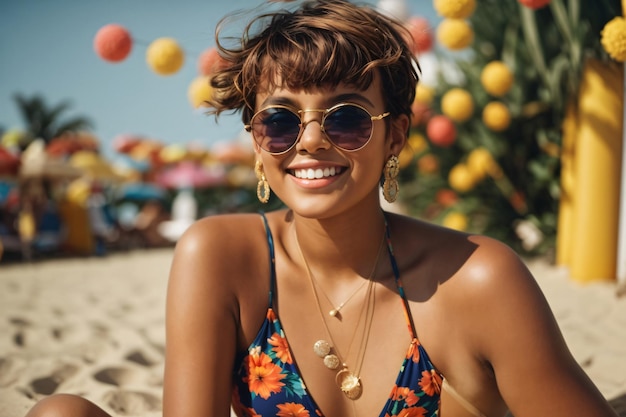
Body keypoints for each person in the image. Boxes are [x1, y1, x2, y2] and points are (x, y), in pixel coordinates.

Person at [24, 1, 619, 416]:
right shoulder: (221, 257)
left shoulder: (476, 279)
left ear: (397, 135)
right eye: (280, 120)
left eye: (347, 118)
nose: (310, 140)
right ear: (258, 141)